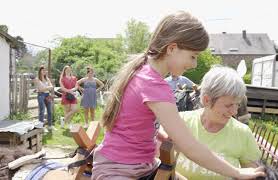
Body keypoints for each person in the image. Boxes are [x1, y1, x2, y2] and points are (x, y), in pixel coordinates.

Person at [92, 11, 264, 180]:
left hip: (139, 165)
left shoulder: (143, 72)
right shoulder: (154, 86)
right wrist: (238, 172)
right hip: (120, 170)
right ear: (172, 48)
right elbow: (189, 147)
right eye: (193, 56)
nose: (194, 64)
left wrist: (157, 133)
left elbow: (132, 121)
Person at [175, 65, 261, 179]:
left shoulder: (243, 133)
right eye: (228, 105)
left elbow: (254, 175)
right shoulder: (179, 123)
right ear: (207, 100)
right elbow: (157, 165)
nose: (234, 112)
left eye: (237, 104)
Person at [35, 65, 54, 132]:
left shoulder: (47, 78)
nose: (44, 71)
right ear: (40, 71)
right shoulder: (37, 79)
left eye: (45, 70)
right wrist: (48, 87)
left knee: (49, 111)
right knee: (42, 111)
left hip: (47, 95)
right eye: (43, 70)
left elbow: (51, 86)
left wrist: (47, 88)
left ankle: (50, 126)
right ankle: (41, 127)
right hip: (41, 95)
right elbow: (40, 89)